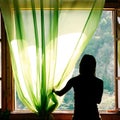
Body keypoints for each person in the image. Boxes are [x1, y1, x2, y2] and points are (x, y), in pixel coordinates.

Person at [53, 54, 103, 120]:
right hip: (93, 116)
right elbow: (98, 101)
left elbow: (60, 93)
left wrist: (53, 90)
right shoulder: (99, 82)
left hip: (78, 116)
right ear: (94, 67)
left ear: (81, 66)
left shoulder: (74, 80)